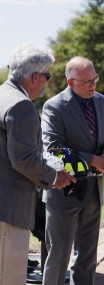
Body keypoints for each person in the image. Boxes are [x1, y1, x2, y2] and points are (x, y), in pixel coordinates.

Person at [41, 56, 104, 285]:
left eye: (95, 78)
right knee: (58, 257)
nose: (93, 85)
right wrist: (96, 161)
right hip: (63, 191)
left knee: (87, 258)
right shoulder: (54, 106)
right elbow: (54, 151)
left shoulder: (103, 102)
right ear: (71, 82)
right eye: (87, 81)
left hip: (94, 191)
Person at [0, 43, 75, 285]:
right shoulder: (22, 105)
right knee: (9, 276)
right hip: (10, 208)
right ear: (35, 77)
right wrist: (55, 177)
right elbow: (23, 159)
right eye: (47, 76)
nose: (47, 82)